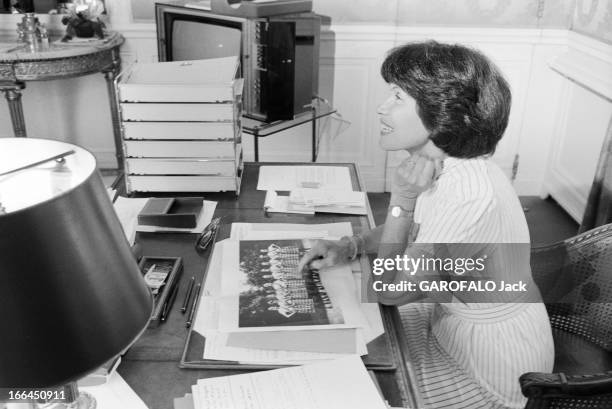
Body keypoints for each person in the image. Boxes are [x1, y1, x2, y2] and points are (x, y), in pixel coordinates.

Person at [298, 41, 554, 409]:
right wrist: (350, 246)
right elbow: (416, 231)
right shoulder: (445, 165)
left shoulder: (467, 193)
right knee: (339, 349)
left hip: (491, 368)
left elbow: (389, 291)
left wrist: (402, 200)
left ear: (441, 111)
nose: (382, 108)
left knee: (348, 386)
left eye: (398, 97)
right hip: (449, 323)